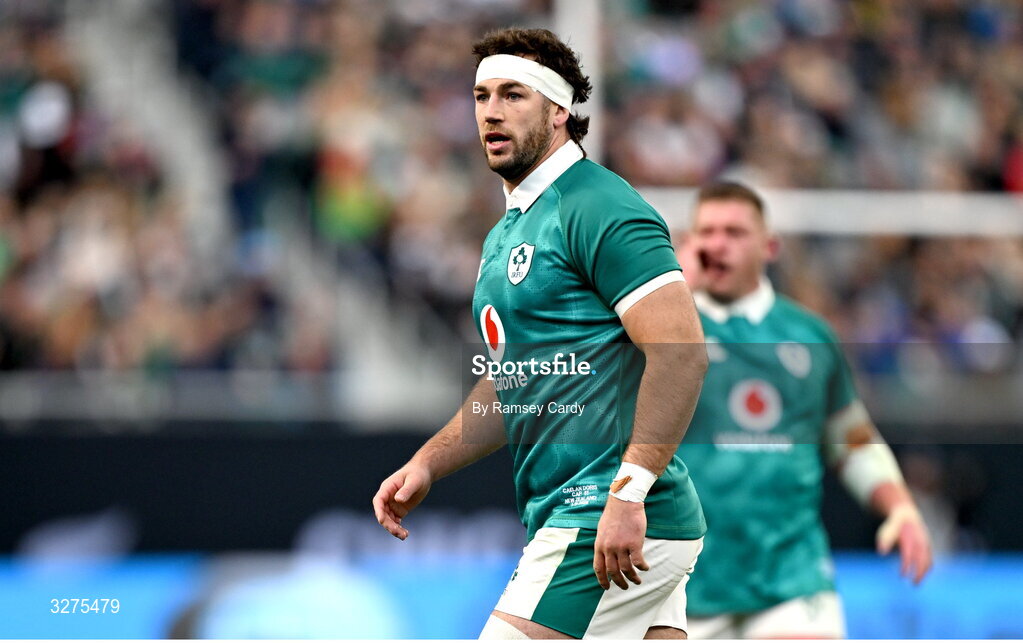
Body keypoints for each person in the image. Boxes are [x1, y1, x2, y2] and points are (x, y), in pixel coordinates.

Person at [373, 28, 709, 640]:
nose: (491, 112)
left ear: (559, 111)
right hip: (592, 513)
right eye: (480, 96)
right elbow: (517, 382)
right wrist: (428, 461)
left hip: (601, 512)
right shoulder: (507, 232)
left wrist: (628, 494)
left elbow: (681, 353)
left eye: (512, 95)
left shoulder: (599, 205)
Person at [674, 181, 933, 639]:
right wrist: (674, 292)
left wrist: (900, 507)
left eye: (734, 232)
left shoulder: (810, 336)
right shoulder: (657, 333)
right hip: (684, 583)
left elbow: (851, 439)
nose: (717, 244)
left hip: (791, 577)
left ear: (769, 246)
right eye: (706, 232)